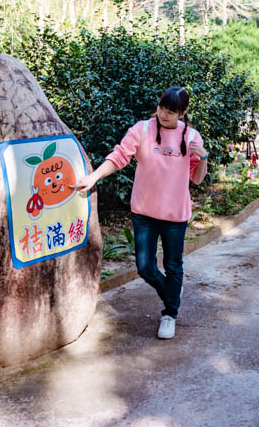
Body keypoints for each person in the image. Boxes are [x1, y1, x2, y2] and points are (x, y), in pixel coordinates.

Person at [71, 86, 208, 339]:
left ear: (183, 112)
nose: (162, 115)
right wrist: (94, 177)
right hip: (144, 211)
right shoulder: (143, 129)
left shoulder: (191, 137)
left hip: (175, 215)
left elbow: (197, 179)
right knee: (145, 267)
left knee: (173, 265)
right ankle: (172, 292)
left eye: (169, 112)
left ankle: (170, 313)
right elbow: (120, 156)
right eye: (161, 109)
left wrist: (204, 158)